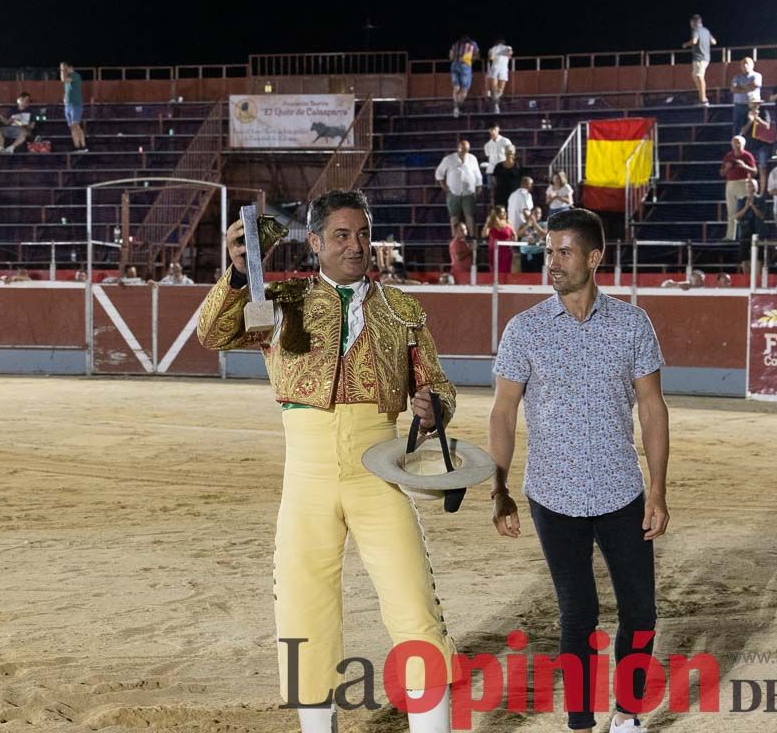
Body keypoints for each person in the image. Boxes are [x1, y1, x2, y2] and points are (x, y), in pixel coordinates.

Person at [198, 190, 460, 733]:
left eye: (362, 234)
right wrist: (241, 272)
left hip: (378, 471)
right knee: (303, 606)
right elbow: (212, 333)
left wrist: (433, 409)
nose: (356, 245)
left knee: (413, 603)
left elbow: (437, 384)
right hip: (307, 476)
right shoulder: (282, 301)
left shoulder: (402, 310)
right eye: (341, 235)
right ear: (315, 242)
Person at [489, 207, 669, 733]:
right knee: (578, 614)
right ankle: (580, 722)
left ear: (594, 258)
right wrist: (498, 487)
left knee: (641, 611)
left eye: (564, 252)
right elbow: (503, 411)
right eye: (549, 251)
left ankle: (629, 714)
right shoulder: (524, 330)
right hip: (553, 494)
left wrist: (657, 490)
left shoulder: (633, 324)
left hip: (621, 491)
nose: (553, 263)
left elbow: (653, 408)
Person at [435, 139, 483, 235]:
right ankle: (455, 239)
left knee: (470, 216)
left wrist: (479, 186)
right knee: (454, 217)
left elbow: (477, 174)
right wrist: (443, 186)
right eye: (462, 149)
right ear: (458, 148)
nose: (464, 152)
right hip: (453, 192)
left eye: (466, 150)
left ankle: (472, 239)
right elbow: (439, 173)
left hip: (469, 192)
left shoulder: (472, 158)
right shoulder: (449, 159)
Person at [720, 135, 758, 240]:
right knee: (731, 211)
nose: (736, 145)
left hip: (743, 183)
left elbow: (755, 172)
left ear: (743, 145)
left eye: (738, 143)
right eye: (734, 143)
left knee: (746, 209)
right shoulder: (728, 156)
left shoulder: (748, 156)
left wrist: (744, 166)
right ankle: (730, 236)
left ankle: (747, 235)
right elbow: (721, 173)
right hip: (731, 184)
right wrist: (727, 168)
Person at [734, 176, 766, 275]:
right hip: (744, 230)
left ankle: (758, 277)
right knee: (744, 257)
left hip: (758, 230)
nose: (749, 188)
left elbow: (762, 216)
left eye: (751, 186)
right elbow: (737, 216)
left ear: (756, 188)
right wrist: (746, 207)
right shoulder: (741, 200)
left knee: (759, 256)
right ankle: (746, 277)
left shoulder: (760, 200)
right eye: (748, 186)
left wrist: (752, 206)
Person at [739, 99, 774, 189]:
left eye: (757, 103)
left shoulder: (764, 112)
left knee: (762, 167)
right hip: (749, 145)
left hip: (762, 145)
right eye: (753, 103)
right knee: (748, 168)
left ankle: (762, 191)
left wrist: (757, 118)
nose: (755, 105)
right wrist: (750, 121)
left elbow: (767, 126)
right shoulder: (745, 114)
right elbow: (743, 131)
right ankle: (749, 190)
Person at [683, 14, 715, 105]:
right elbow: (714, 41)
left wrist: (685, 44)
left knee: (700, 76)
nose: (690, 25)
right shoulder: (706, 31)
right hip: (706, 57)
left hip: (699, 57)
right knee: (694, 75)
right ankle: (701, 95)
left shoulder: (696, 30)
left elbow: (694, 41)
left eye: (691, 23)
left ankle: (704, 100)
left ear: (694, 22)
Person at [730, 56, 762, 136]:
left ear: (752, 65)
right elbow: (733, 89)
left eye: (747, 63)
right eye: (743, 64)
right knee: (737, 128)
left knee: (752, 128)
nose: (745, 66)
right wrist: (748, 88)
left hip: (752, 106)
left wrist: (740, 87)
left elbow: (755, 85)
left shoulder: (757, 75)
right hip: (739, 106)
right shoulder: (737, 77)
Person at [448, 35, 479, 118]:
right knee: (464, 89)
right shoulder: (473, 44)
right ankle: (459, 107)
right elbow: (476, 56)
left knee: (456, 88)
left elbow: (451, 57)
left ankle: (455, 108)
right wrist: (470, 59)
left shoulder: (455, 44)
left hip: (454, 65)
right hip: (465, 66)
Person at [60, 62, 87, 152]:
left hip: (75, 104)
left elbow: (63, 80)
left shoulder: (75, 75)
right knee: (71, 126)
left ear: (69, 67)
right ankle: (77, 147)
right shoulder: (68, 77)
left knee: (76, 125)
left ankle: (83, 146)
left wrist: (62, 70)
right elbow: (67, 90)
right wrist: (64, 98)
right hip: (68, 105)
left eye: (65, 68)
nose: (64, 70)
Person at [484, 205, 516, 275]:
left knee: (505, 271)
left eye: (505, 212)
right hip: (494, 251)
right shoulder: (492, 224)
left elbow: (514, 235)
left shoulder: (508, 223)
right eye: (503, 212)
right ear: (497, 214)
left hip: (506, 251)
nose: (505, 213)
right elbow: (484, 234)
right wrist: (487, 223)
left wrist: (513, 245)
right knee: (494, 272)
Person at [482, 124, 513, 193]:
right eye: (491, 130)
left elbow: (511, 154)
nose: (493, 132)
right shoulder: (487, 145)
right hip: (491, 170)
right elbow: (488, 157)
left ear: (498, 129)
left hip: (503, 169)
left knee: (505, 190)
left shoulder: (505, 141)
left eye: (494, 130)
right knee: (491, 191)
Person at [492, 146, 523, 211]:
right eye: (507, 152)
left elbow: (522, 180)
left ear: (514, 153)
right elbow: (494, 180)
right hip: (501, 196)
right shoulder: (498, 166)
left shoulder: (518, 166)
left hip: (514, 196)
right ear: (505, 153)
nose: (509, 154)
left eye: (510, 152)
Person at [517, 206, 547, 272]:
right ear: (531, 214)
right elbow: (518, 234)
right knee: (525, 276)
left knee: (537, 276)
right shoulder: (524, 225)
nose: (537, 215)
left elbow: (543, 234)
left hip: (538, 254)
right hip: (525, 254)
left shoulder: (543, 224)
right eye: (535, 213)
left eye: (539, 213)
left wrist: (534, 223)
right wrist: (528, 225)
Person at [487, 39, 513, 113]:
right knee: (500, 91)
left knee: (494, 89)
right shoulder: (508, 47)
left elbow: (490, 58)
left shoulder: (492, 49)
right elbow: (510, 54)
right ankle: (496, 104)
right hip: (503, 69)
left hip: (494, 68)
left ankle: (496, 105)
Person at [448, 220, 473, 285]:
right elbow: (459, 257)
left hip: (466, 273)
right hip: (459, 274)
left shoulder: (464, 242)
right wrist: (471, 250)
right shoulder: (455, 243)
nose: (464, 232)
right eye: (461, 230)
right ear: (456, 231)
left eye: (465, 229)